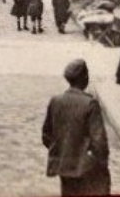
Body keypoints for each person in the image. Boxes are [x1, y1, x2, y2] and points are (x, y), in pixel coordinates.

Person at [42, 59, 111, 196]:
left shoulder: (56, 101)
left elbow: (46, 136)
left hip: (64, 168)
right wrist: (101, 164)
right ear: (84, 78)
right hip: (86, 169)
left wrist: (64, 151)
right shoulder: (90, 104)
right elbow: (99, 142)